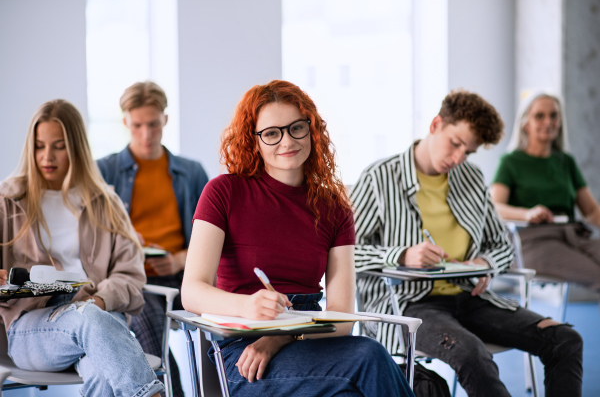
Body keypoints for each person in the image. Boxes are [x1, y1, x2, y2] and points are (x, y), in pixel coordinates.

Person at [181, 80, 414, 396]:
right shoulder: (223, 192)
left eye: (296, 128)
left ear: (312, 130)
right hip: (243, 357)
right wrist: (248, 307)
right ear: (255, 141)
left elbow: (342, 317)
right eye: (272, 133)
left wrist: (278, 338)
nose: (287, 141)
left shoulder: (335, 207)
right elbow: (192, 291)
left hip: (309, 336)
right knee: (369, 355)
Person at [351, 90, 583, 397]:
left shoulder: (471, 179)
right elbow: (344, 253)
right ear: (435, 125)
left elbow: (502, 245)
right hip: (410, 306)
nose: (459, 158)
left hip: (471, 298)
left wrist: (484, 263)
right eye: (455, 143)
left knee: (564, 339)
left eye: (469, 152)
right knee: (471, 352)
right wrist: (403, 254)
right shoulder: (378, 178)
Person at [0, 99, 164, 397]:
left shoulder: (106, 202)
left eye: (59, 146)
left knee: (103, 370)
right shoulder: (7, 201)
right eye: (39, 146)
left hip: (100, 314)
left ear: (75, 147)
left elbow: (131, 276)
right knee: (90, 322)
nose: (47, 156)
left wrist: (99, 301)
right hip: (32, 330)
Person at [97, 81, 209, 396]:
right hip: (133, 277)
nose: (146, 134)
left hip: (184, 275)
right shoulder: (104, 172)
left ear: (165, 120)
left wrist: (179, 258)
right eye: (137, 125)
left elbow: (216, 239)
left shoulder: (192, 172)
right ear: (125, 123)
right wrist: (130, 247)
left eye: (153, 124)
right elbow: (90, 240)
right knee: (140, 303)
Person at [491, 91, 600, 296]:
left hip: (573, 235)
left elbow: (592, 211)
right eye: (539, 116)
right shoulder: (510, 162)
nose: (548, 122)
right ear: (525, 123)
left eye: (554, 115)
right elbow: (494, 207)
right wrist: (527, 214)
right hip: (533, 241)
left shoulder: (566, 161)